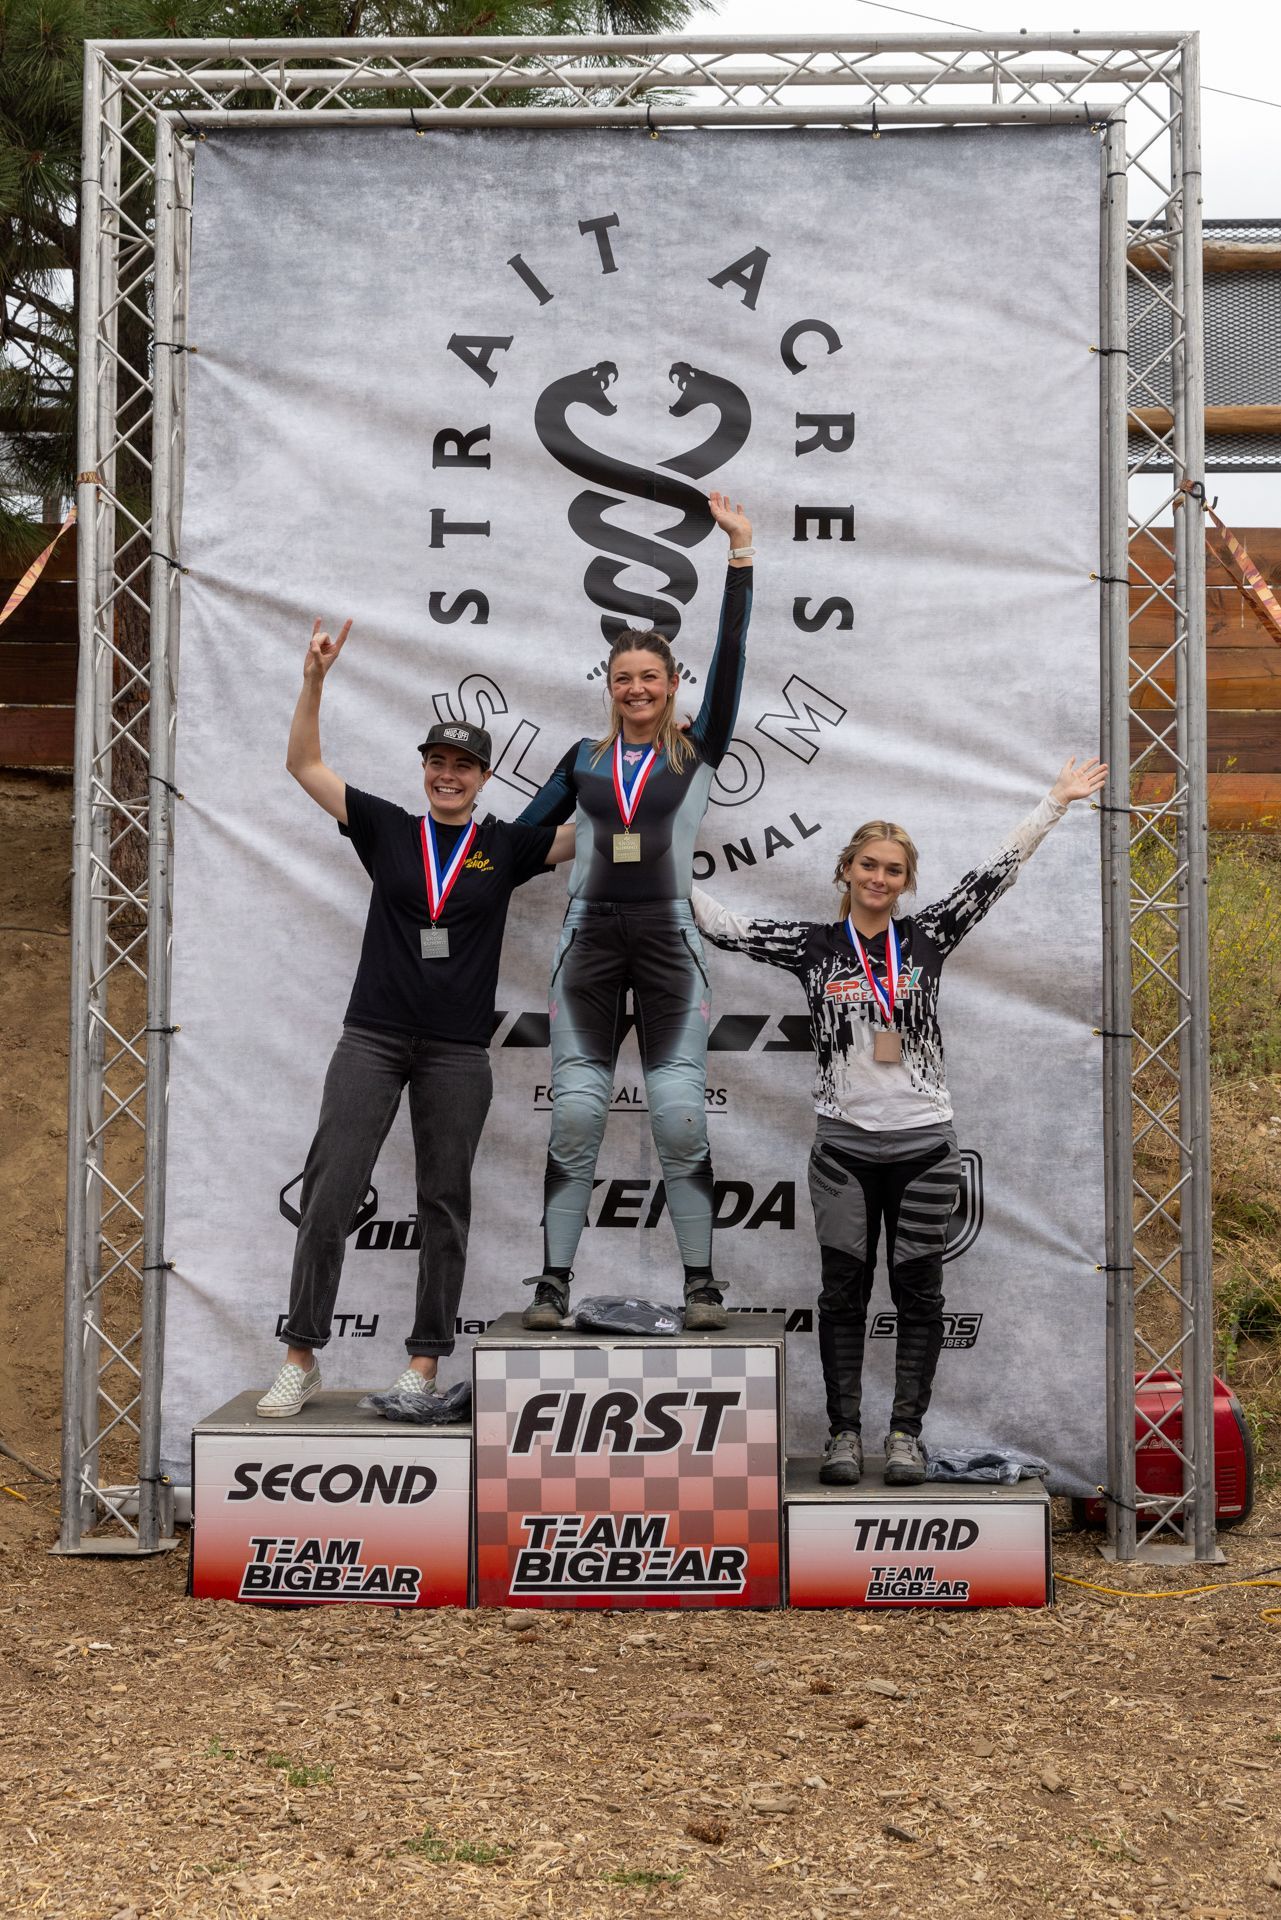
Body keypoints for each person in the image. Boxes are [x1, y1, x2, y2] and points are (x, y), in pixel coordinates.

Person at [690, 757, 1107, 1483]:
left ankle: (906, 1436)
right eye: (868, 865)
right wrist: (655, 861)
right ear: (845, 870)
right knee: (841, 1295)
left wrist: (1055, 802)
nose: (878, 878)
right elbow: (726, 928)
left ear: (906, 881)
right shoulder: (814, 948)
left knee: (919, 1296)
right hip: (843, 1150)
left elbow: (994, 875)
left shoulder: (928, 937)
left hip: (924, 1148)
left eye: (892, 870)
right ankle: (844, 1437)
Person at [257, 618, 574, 1417]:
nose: (447, 775)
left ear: (483, 776)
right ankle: (300, 1355)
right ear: (424, 769)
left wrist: (636, 758)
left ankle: (423, 1363)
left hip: (457, 1053)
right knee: (330, 1192)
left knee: (444, 1204)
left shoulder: (507, 846)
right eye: (437, 762)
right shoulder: (388, 830)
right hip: (371, 1037)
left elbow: (602, 830)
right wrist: (314, 680)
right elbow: (303, 765)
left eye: (462, 765)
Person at [515, 492, 755, 1331]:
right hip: (586, 944)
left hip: (666, 945)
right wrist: (430, 864)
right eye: (624, 678)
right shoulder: (581, 760)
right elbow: (518, 842)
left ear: (671, 684)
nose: (638, 688)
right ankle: (551, 1283)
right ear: (610, 688)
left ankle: (701, 1286)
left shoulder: (696, 750)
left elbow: (731, 658)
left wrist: (740, 555)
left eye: (651, 676)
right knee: (577, 1115)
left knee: (679, 1120)